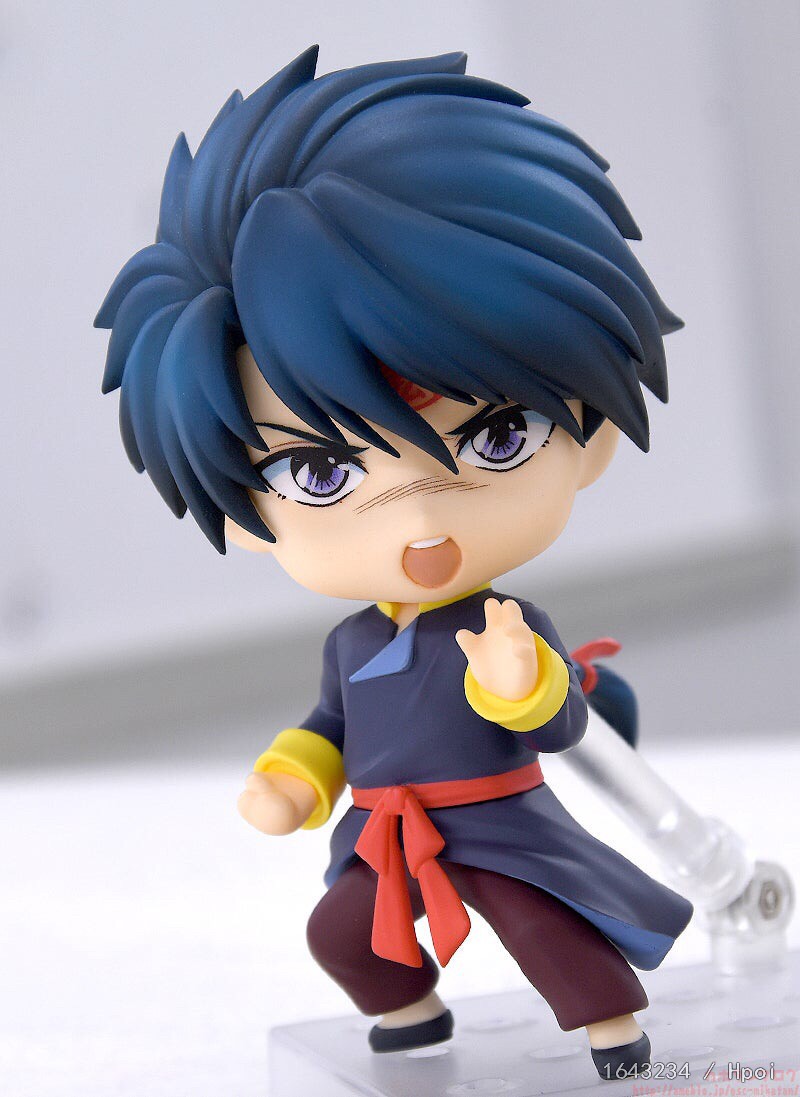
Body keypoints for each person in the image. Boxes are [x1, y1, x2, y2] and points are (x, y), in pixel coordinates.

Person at [96, 46, 692, 1079]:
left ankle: (612, 1029)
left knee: (543, 923)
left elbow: (557, 723)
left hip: (497, 820)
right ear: (250, 516)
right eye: (321, 471)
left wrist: (521, 681)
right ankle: (410, 1011)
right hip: (384, 830)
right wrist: (291, 778)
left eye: (496, 436)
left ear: (587, 434)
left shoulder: (501, 623)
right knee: (341, 932)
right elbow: (329, 724)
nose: (418, 522)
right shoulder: (350, 641)